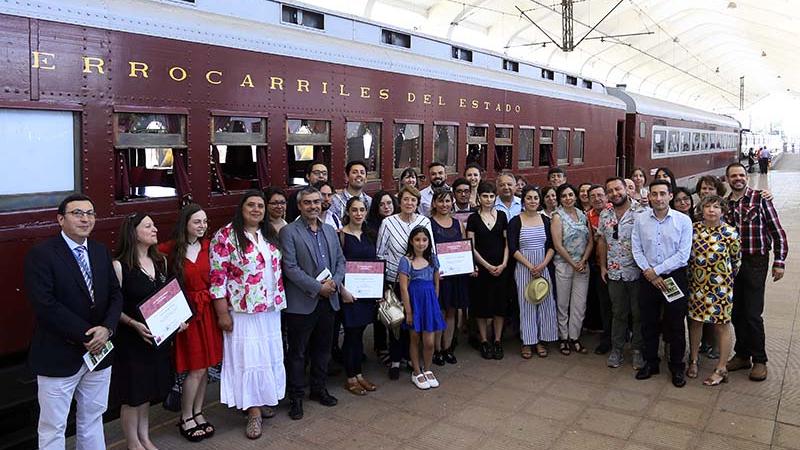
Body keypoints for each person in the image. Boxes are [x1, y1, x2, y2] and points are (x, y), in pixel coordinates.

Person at [24, 194, 122, 450]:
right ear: (60, 219)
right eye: (77, 213)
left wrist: (108, 329)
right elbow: (45, 304)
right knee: (53, 427)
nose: (85, 218)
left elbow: (115, 294)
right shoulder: (42, 255)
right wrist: (88, 335)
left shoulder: (100, 251)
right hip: (59, 354)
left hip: (99, 354)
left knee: (92, 418)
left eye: (90, 213)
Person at [210, 190, 286, 439]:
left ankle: (262, 399)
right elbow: (217, 278)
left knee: (266, 357)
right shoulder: (226, 236)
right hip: (243, 310)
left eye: (260, 206)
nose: (256, 209)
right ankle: (252, 412)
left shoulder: (268, 234)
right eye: (251, 205)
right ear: (241, 208)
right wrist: (222, 313)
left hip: (269, 308)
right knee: (249, 359)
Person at [111, 213, 178, 450]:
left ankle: (144, 437)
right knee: (132, 394)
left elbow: (169, 298)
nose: (155, 229)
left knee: (147, 392)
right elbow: (113, 309)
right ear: (133, 232)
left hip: (156, 340)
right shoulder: (120, 266)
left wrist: (177, 319)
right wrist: (133, 324)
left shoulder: (161, 261)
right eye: (148, 226)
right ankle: (132, 442)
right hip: (132, 341)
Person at [280, 186, 346, 419]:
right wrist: (319, 288)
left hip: (329, 301)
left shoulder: (329, 230)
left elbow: (340, 261)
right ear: (299, 206)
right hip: (302, 303)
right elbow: (290, 268)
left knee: (323, 349)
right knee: (298, 353)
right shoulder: (289, 232)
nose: (313, 206)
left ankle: (319, 389)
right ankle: (296, 397)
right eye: (307, 202)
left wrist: (335, 284)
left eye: (316, 202)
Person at [159, 204, 223, 442]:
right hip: (187, 315)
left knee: (206, 368)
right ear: (185, 222)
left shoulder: (210, 247)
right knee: (195, 368)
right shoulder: (171, 249)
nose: (202, 226)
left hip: (208, 312)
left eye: (205, 222)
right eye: (197, 221)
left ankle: (198, 412)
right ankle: (185, 416)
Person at [725, 163, 787, 382]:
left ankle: (760, 360)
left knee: (752, 314)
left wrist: (779, 261)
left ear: (747, 178)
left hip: (755, 262)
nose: (738, 178)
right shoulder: (725, 205)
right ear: (728, 179)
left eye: (741, 175)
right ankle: (742, 355)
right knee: (736, 313)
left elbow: (778, 232)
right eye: (734, 176)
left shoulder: (761, 199)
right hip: (732, 264)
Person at [631, 180, 692, 388]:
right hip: (648, 279)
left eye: (662, 194)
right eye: (654, 194)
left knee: (675, 324)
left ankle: (677, 367)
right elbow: (636, 248)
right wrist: (650, 274)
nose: (658, 198)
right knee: (648, 323)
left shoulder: (683, 221)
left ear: (670, 196)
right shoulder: (640, 220)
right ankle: (651, 363)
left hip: (674, 277)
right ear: (648, 197)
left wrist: (656, 272)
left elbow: (683, 255)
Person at [376, 186, 435, 379]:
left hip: (419, 280)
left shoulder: (424, 220)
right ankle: (395, 360)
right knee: (397, 321)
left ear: (418, 203)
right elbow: (380, 252)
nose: (409, 203)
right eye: (406, 199)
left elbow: (431, 250)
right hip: (395, 278)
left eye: (413, 200)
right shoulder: (388, 222)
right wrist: (384, 281)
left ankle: (412, 360)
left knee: (416, 323)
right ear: (399, 201)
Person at [686, 195, 741, 386]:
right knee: (695, 323)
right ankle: (693, 360)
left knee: (722, 325)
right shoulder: (693, 230)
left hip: (721, 288)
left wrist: (722, 279)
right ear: (701, 209)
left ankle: (721, 367)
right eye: (707, 206)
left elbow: (736, 261)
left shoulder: (730, 233)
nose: (711, 210)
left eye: (716, 207)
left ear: (723, 211)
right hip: (697, 286)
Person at [597, 178, 646, 370]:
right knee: (618, 313)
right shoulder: (605, 214)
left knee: (638, 313)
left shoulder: (641, 212)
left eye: (618, 189)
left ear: (626, 189)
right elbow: (601, 241)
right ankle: (616, 350)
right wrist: (602, 266)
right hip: (614, 272)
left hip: (636, 271)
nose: (615, 193)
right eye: (610, 191)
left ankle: (637, 351)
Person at [508, 185, 557, 359]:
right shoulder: (515, 221)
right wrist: (530, 266)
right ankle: (527, 341)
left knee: (545, 303)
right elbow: (513, 247)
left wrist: (543, 264)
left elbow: (551, 246)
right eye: (529, 198)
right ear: (523, 201)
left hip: (543, 265)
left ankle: (542, 340)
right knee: (526, 303)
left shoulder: (546, 220)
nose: (533, 201)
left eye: (536, 198)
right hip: (524, 266)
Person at [339, 197, 379, 395]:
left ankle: (359, 374)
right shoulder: (341, 236)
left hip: (367, 293)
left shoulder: (370, 233)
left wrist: (378, 289)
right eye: (354, 210)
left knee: (360, 334)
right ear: (348, 212)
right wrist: (342, 290)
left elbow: (375, 263)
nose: (358, 213)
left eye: (362, 209)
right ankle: (351, 377)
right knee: (351, 334)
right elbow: (336, 265)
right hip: (349, 294)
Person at [467, 181, 510, 360]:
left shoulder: (502, 216)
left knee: (499, 306)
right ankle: (484, 340)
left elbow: (507, 243)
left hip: (501, 268)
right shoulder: (473, 219)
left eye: (492, 196)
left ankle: (497, 340)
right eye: (485, 196)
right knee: (482, 306)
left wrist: (504, 264)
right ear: (479, 197)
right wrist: (487, 266)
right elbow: (472, 246)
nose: (488, 199)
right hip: (483, 269)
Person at [399, 226, 447, 389]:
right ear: (411, 241)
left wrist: (435, 303)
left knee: (429, 342)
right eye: (417, 240)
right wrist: (409, 311)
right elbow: (404, 288)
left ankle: (427, 369)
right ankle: (416, 371)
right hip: (415, 303)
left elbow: (436, 283)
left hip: (430, 303)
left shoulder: (433, 258)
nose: (421, 243)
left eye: (424, 240)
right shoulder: (406, 260)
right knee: (415, 338)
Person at [550, 184, 593, 355]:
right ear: (560, 199)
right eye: (564, 196)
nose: (568, 198)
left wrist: (583, 260)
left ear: (575, 197)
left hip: (582, 266)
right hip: (563, 265)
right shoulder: (557, 217)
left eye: (570, 195)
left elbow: (590, 241)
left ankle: (575, 337)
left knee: (579, 304)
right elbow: (557, 244)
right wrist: (572, 262)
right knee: (563, 303)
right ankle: (563, 337)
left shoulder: (583, 215)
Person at [429, 188, 470, 365]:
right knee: (440, 312)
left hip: (456, 275)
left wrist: (468, 266)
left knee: (452, 311)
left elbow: (463, 248)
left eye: (447, 201)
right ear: (434, 203)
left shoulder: (457, 224)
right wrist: (435, 271)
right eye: (440, 201)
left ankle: (447, 348)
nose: (444, 205)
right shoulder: (429, 224)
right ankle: (437, 349)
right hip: (440, 277)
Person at [365, 190, 397, 362]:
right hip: (378, 274)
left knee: (396, 310)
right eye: (382, 204)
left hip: (395, 272)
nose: (386, 207)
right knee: (380, 312)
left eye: (389, 203)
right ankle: (381, 346)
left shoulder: (399, 221)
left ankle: (396, 347)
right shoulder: (370, 226)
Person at [585, 184, 612, 354]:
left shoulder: (615, 211)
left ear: (606, 196)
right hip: (599, 265)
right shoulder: (588, 216)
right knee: (605, 305)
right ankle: (606, 338)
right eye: (593, 196)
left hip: (621, 265)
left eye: (600, 195)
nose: (597, 198)